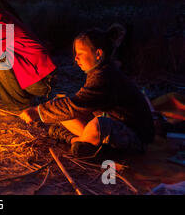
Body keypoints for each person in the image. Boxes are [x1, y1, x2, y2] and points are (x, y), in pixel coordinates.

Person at [20, 24, 155, 157]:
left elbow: (79, 104)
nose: (76, 58)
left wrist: (37, 111)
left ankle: (78, 142)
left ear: (98, 54)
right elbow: (77, 106)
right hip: (111, 121)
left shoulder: (106, 76)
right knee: (60, 108)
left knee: (99, 125)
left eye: (80, 53)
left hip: (133, 135)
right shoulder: (97, 72)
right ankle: (85, 142)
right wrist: (47, 110)